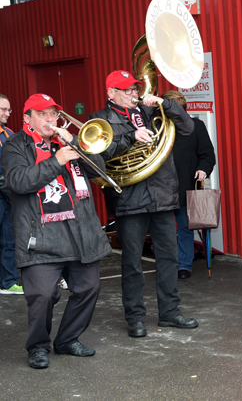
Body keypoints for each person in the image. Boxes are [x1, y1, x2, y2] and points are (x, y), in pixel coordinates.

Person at [1, 93, 112, 369]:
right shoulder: (15, 145)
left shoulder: (69, 142)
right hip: (39, 233)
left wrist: (77, 145)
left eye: (53, 113)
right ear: (27, 118)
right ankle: (38, 346)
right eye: (42, 114)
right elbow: (18, 181)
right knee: (43, 295)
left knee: (89, 287)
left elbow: (101, 174)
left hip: (79, 230)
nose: (50, 119)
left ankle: (67, 340)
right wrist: (57, 160)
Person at [89, 70, 197, 338]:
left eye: (135, 89)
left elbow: (187, 127)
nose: (133, 94)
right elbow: (99, 156)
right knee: (132, 263)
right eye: (126, 90)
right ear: (110, 93)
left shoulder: (151, 113)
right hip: (129, 199)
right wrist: (130, 138)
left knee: (169, 258)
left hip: (161, 196)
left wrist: (165, 103)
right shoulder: (99, 120)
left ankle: (170, 312)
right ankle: (135, 318)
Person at [161, 90, 216, 280]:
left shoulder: (196, 126)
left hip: (186, 186)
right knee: (165, 230)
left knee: (184, 227)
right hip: (162, 188)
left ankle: (184, 265)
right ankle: (168, 265)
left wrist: (203, 169)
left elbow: (208, 154)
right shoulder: (159, 127)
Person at [0, 94, 22, 295]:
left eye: (9, 110)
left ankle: (7, 282)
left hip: (8, 193)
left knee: (9, 238)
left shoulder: (9, 134)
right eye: (3, 110)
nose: (7, 113)